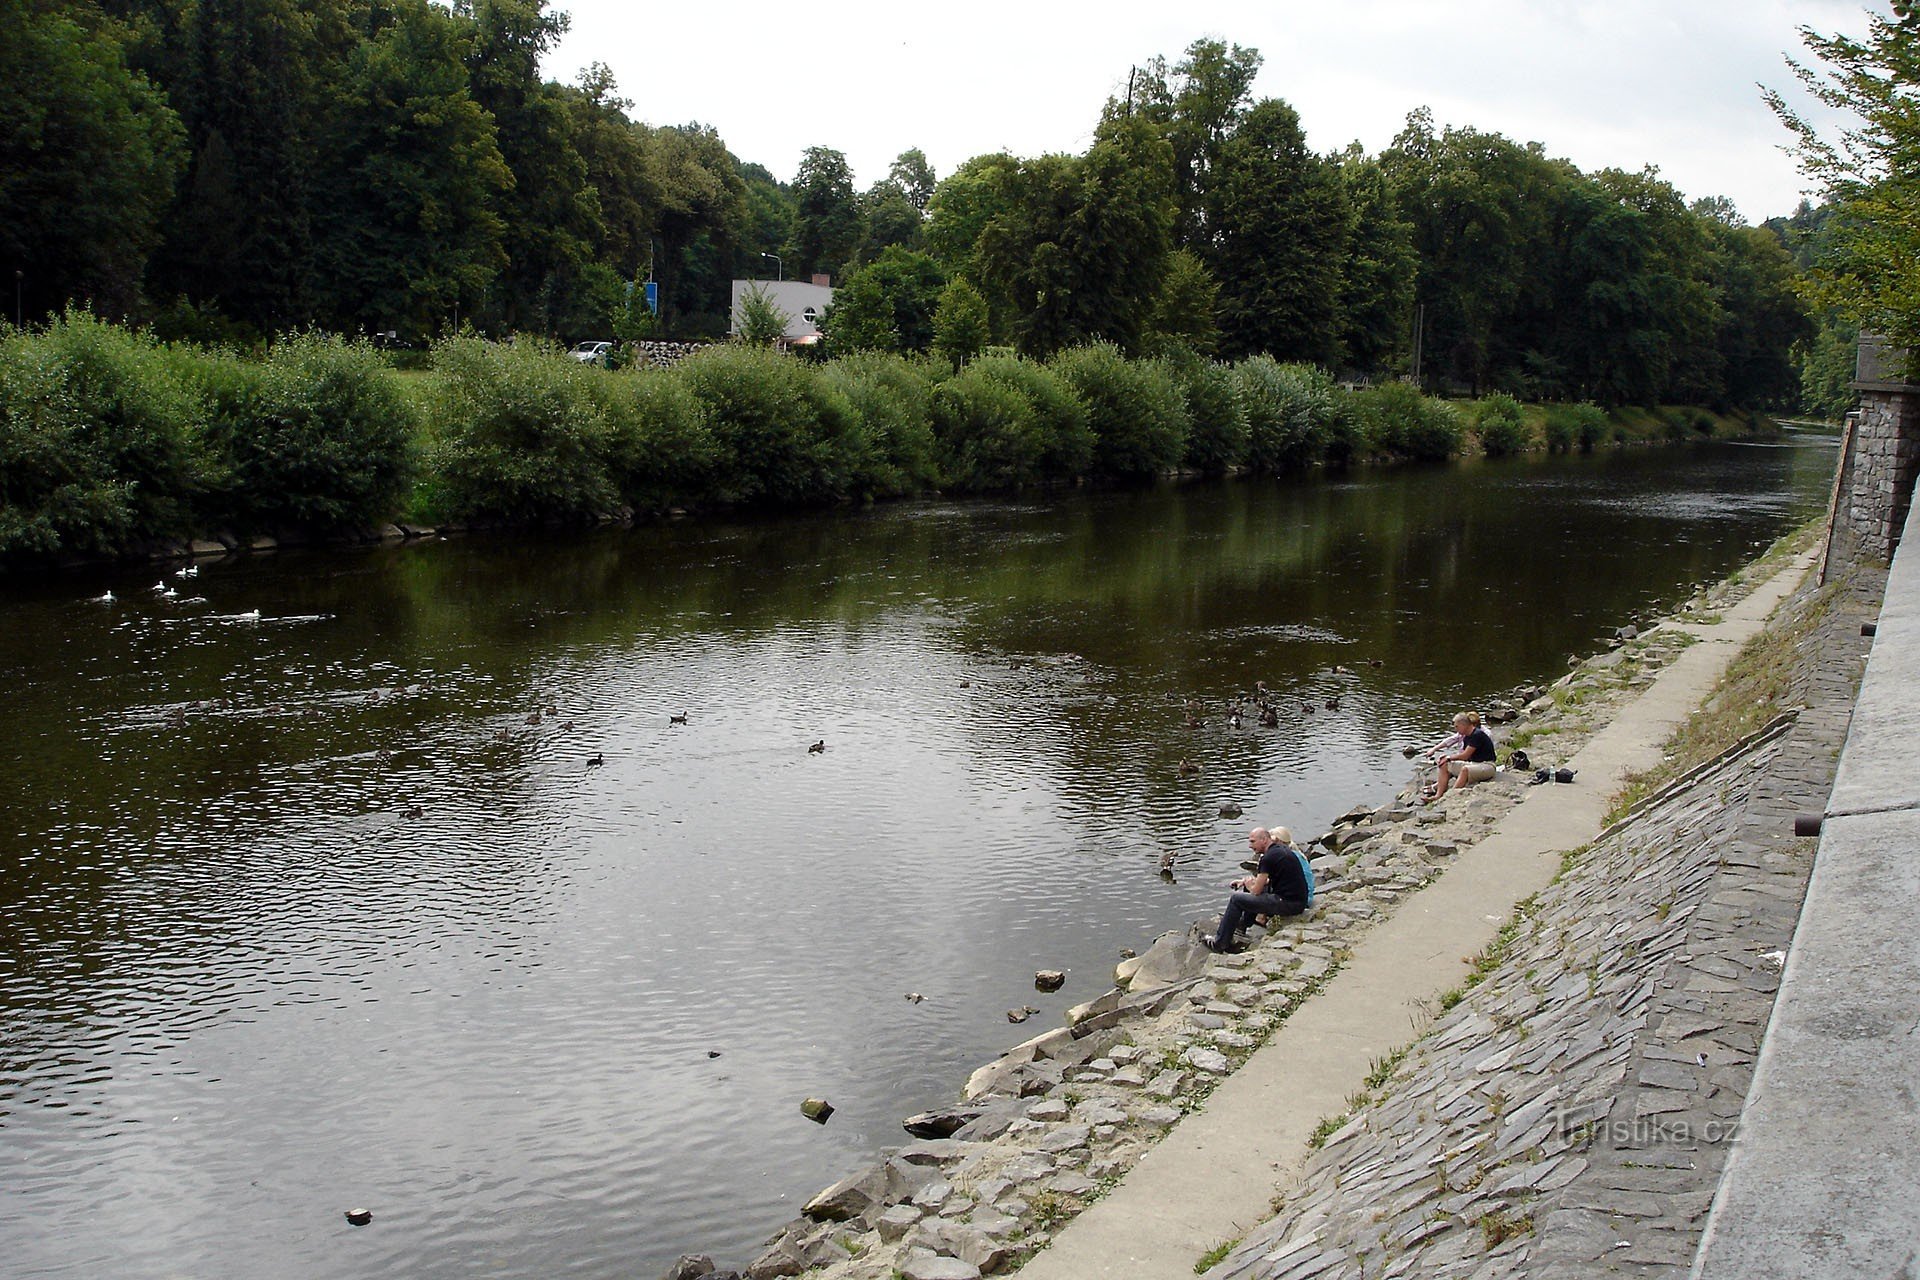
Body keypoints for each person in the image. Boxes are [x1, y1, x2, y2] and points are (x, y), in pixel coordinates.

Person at [1207, 827, 1313, 953]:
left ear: (1264, 840)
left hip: (1288, 904)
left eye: (1252, 842)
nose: (1250, 846)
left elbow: (1255, 891)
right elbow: (1267, 880)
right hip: (1298, 901)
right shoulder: (1280, 850)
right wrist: (1246, 882)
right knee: (1253, 888)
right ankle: (1242, 925)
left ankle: (1220, 943)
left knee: (1236, 899)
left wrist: (1248, 883)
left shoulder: (1267, 858)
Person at [1427, 711, 1496, 801]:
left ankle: (1450, 797)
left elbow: (1465, 756)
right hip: (1473, 763)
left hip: (1487, 765)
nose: (1456, 729)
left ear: (1463, 725)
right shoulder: (1467, 736)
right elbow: (1454, 744)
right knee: (1444, 764)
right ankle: (1438, 795)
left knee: (1465, 769)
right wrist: (1445, 759)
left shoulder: (1477, 735)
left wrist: (1448, 757)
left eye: (1456, 726)